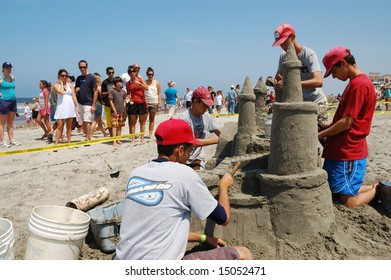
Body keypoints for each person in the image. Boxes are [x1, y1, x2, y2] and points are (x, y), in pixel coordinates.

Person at [115, 118, 252, 260]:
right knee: (243, 253)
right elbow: (223, 218)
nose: (189, 157)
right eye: (190, 151)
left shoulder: (136, 174)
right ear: (180, 150)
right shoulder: (184, 174)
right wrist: (223, 187)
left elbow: (159, 228)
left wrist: (203, 238)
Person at [319, 46, 377, 208]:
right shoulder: (354, 83)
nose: (334, 77)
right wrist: (329, 126)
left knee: (349, 202)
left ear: (343, 63)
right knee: (336, 190)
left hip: (349, 151)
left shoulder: (359, 85)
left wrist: (319, 135)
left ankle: (377, 190)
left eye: (334, 72)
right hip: (340, 150)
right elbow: (347, 117)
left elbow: (347, 123)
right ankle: (371, 188)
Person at [272, 23, 329, 128]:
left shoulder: (308, 54)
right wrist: (274, 82)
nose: (283, 46)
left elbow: (318, 81)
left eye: (284, 42)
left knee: (320, 132)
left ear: (293, 37)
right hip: (299, 103)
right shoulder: (283, 56)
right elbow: (277, 78)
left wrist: (290, 84)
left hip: (315, 102)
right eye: (280, 44)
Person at [179, 86, 220, 170]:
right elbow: (190, 142)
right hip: (183, 158)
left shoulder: (206, 116)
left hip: (197, 158)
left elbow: (219, 132)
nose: (207, 109)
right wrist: (217, 140)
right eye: (205, 105)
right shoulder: (184, 118)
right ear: (195, 101)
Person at [53, 69, 80, 145]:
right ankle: (56, 142)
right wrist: (61, 83)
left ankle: (69, 142)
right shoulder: (56, 85)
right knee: (60, 125)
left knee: (69, 126)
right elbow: (61, 92)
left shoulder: (70, 85)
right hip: (61, 106)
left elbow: (74, 96)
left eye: (66, 75)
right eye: (63, 75)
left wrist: (77, 106)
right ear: (59, 76)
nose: (64, 77)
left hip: (70, 105)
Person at [75, 60, 98, 141]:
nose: (82, 69)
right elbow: (75, 90)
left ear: (87, 67)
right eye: (81, 67)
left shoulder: (91, 77)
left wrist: (94, 104)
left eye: (84, 67)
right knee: (83, 122)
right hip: (80, 103)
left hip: (88, 102)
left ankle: (88, 138)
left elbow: (95, 91)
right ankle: (87, 135)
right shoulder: (78, 78)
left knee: (87, 121)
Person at [126, 66, 149, 144]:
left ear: (136, 72)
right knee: (133, 122)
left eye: (133, 71)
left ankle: (142, 138)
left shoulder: (140, 79)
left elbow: (147, 88)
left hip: (141, 102)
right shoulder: (128, 83)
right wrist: (126, 99)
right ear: (128, 73)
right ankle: (133, 138)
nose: (132, 73)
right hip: (133, 103)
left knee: (142, 122)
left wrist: (139, 83)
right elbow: (128, 93)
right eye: (130, 72)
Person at [0, 62, 21, 147]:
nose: (9, 69)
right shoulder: (1, 78)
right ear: (3, 69)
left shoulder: (13, 78)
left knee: (11, 122)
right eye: (7, 68)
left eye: (10, 68)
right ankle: (2, 141)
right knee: (2, 123)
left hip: (13, 101)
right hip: (4, 101)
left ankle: (11, 139)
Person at [144, 67, 162, 139]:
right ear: (147, 74)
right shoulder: (144, 82)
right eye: (149, 74)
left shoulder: (156, 82)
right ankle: (142, 133)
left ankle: (150, 134)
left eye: (151, 74)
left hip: (154, 102)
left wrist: (159, 102)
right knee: (143, 119)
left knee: (152, 119)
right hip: (146, 102)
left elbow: (159, 93)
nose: (150, 76)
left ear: (153, 74)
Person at [109, 77, 127, 146]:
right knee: (114, 126)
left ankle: (118, 139)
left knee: (120, 125)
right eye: (117, 82)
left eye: (120, 82)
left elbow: (124, 100)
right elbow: (111, 101)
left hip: (121, 111)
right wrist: (114, 110)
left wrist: (124, 109)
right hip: (114, 112)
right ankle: (114, 141)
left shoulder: (123, 92)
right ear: (115, 84)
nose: (119, 84)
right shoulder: (112, 91)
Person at [101, 67, 116, 137]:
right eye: (110, 73)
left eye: (112, 72)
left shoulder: (116, 81)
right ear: (107, 73)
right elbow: (102, 94)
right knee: (109, 122)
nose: (111, 74)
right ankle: (111, 137)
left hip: (116, 104)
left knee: (116, 122)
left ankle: (116, 137)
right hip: (107, 104)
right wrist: (109, 92)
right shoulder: (105, 82)